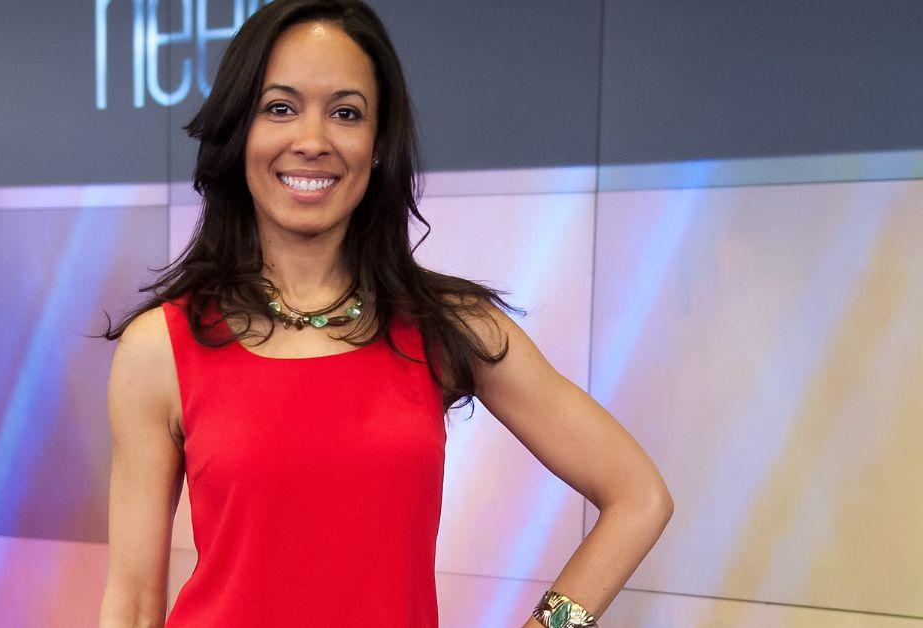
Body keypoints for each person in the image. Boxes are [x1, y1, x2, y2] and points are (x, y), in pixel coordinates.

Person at [97, 1, 673, 626]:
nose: (312, 141)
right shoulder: (161, 347)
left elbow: (639, 496)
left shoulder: (449, 325)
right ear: (241, 134)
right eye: (280, 107)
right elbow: (131, 604)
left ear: (376, 146)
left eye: (346, 113)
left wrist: (551, 624)